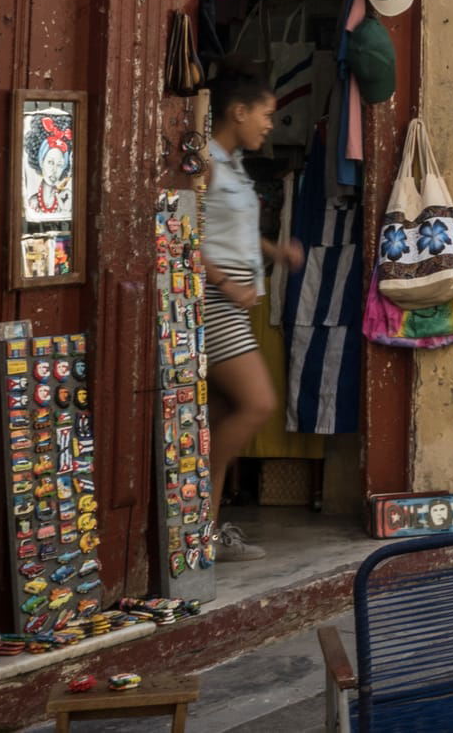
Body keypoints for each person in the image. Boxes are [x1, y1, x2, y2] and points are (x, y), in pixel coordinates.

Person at [200, 69, 304, 564]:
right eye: (264, 113)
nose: (269, 124)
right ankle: (197, 515)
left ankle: (205, 533)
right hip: (215, 302)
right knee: (257, 404)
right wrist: (225, 284)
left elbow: (231, 230)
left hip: (233, 302)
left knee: (221, 416)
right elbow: (178, 232)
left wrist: (274, 251)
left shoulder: (234, 163)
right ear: (237, 111)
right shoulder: (203, 163)